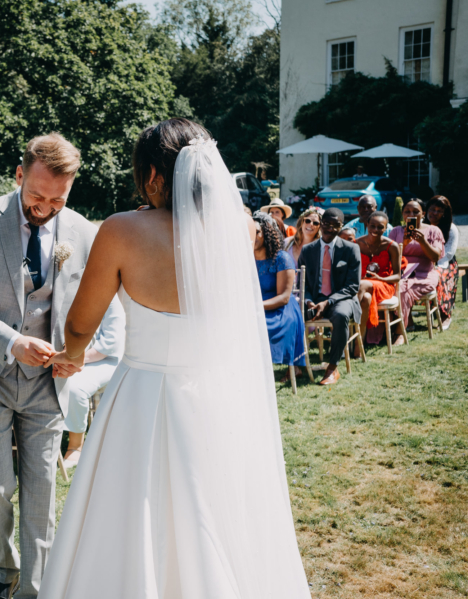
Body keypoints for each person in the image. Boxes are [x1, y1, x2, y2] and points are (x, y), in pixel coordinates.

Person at [38, 119, 310, 598]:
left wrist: (72, 356)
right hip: (213, 395)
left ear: (155, 177)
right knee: (212, 512)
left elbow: (81, 323)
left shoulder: (122, 230)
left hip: (141, 396)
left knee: (132, 517)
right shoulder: (239, 229)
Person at [0, 132, 97, 599]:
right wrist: (11, 343)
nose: (47, 207)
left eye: (58, 199)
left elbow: (93, 310)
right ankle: (3, 569)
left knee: (42, 494)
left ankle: (32, 590)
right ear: (18, 174)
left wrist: (78, 351)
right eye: (37, 196)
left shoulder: (84, 232)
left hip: (47, 386)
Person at [298, 208, 361, 386]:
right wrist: (309, 301)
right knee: (291, 312)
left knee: (340, 315)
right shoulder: (308, 250)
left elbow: (352, 286)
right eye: (326, 223)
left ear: (341, 227)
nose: (329, 228)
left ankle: (332, 367)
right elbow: (302, 283)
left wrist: (328, 302)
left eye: (335, 225)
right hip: (314, 298)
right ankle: (293, 366)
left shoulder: (351, 249)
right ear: (321, 223)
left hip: (341, 299)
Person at [61, 295, 125, 468]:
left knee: (74, 387)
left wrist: (71, 358)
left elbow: (110, 343)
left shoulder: (111, 297)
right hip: (65, 357)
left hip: (105, 359)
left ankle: (75, 446)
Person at [252, 212, 307, 376]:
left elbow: (283, 297)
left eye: (257, 232)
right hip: (254, 308)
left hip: (280, 310)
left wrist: (253, 306)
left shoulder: (281, 258)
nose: (252, 236)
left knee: (260, 328)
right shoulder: (245, 259)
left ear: (267, 232)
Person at [389, 199, 444, 333]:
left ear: (423, 213)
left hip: (424, 275)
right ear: (402, 214)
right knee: (394, 286)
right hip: (401, 274)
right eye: (407, 211)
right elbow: (389, 257)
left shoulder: (433, 231)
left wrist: (422, 241)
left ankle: (400, 330)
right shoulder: (396, 231)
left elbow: (435, 257)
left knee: (401, 288)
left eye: (415, 211)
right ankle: (399, 324)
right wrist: (405, 244)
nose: (411, 215)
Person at [354, 212, 403, 348]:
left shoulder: (392, 246)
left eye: (380, 227)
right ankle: (358, 346)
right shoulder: (356, 244)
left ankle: (348, 322)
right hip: (360, 286)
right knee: (365, 297)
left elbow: (397, 276)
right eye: (372, 226)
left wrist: (380, 278)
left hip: (384, 284)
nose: (376, 230)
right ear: (367, 225)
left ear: (386, 228)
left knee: (361, 285)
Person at [425, 195, 459, 329]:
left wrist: (434, 264)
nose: (435, 213)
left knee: (438, 275)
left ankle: (444, 315)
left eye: (439, 211)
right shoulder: (421, 224)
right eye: (432, 209)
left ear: (445, 213)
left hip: (445, 263)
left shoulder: (451, 228)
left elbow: (449, 253)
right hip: (423, 261)